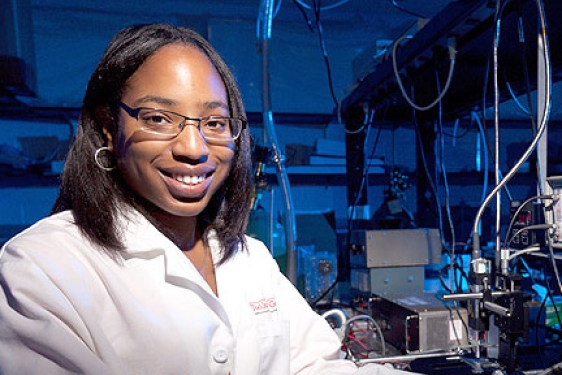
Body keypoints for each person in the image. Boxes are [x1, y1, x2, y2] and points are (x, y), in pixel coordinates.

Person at [0, 24, 420, 375]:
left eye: (214, 122)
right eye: (159, 118)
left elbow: (315, 368)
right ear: (109, 127)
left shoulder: (247, 256)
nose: (194, 148)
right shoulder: (42, 267)